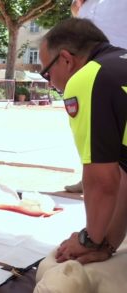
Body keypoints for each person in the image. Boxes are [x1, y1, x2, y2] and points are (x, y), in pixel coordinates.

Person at [38, 18, 127, 264]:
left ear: (66, 59)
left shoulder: (88, 78)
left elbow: (102, 179)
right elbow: (124, 179)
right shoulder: (118, 66)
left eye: (47, 72)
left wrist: (88, 240)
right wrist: (104, 244)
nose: (50, 82)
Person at [64, 0, 127, 193]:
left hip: (121, 67)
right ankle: (91, 176)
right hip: (90, 71)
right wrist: (76, 8)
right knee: (89, 129)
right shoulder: (84, 4)